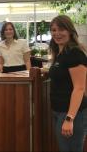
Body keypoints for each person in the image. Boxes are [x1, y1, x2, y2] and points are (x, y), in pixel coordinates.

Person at [48, 15, 87, 152]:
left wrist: (69, 119)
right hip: (59, 112)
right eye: (53, 30)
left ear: (70, 31)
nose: (57, 34)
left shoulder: (75, 54)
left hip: (71, 114)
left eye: (61, 29)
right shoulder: (61, 54)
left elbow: (79, 88)